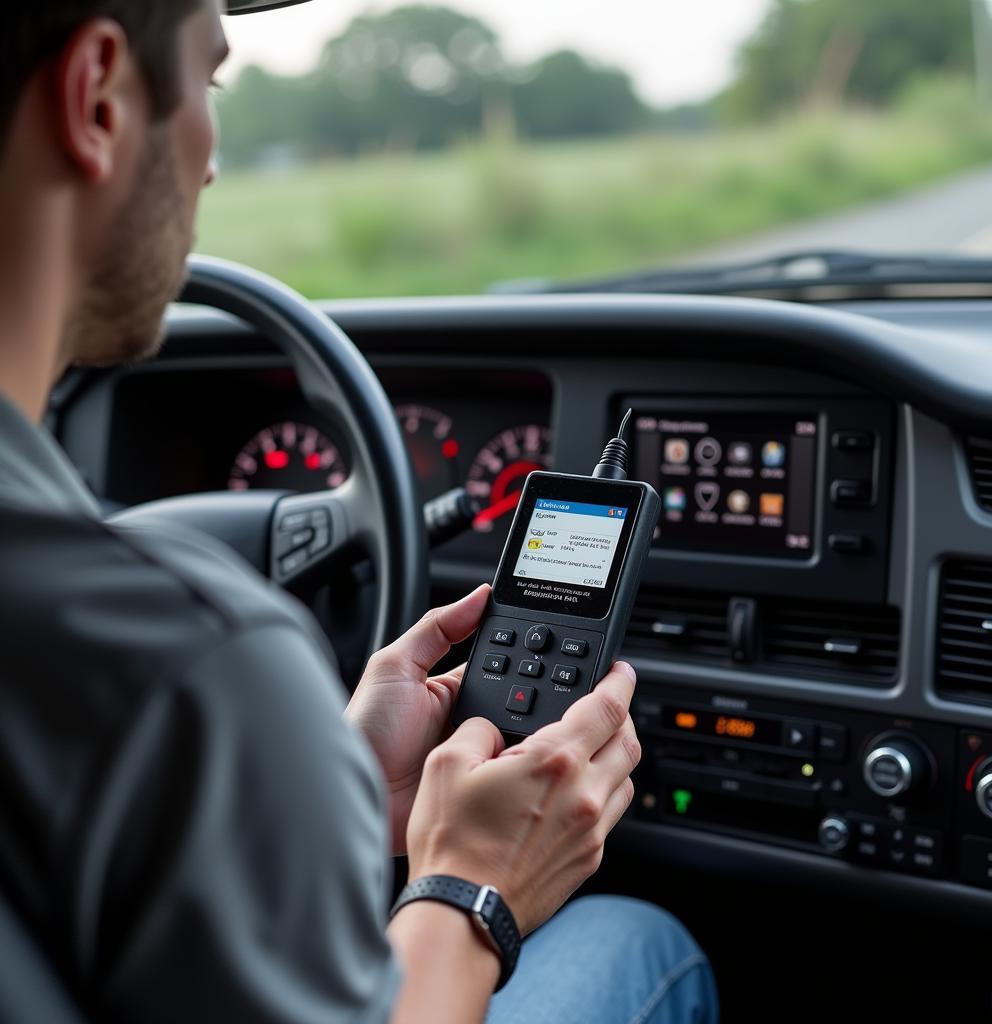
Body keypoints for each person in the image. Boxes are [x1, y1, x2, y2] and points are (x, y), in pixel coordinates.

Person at [0, 1, 718, 1022]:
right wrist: (475, 892)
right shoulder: (192, 660)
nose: (210, 163)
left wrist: (316, 780)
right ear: (98, 98)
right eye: (210, 84)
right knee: (639, 942)